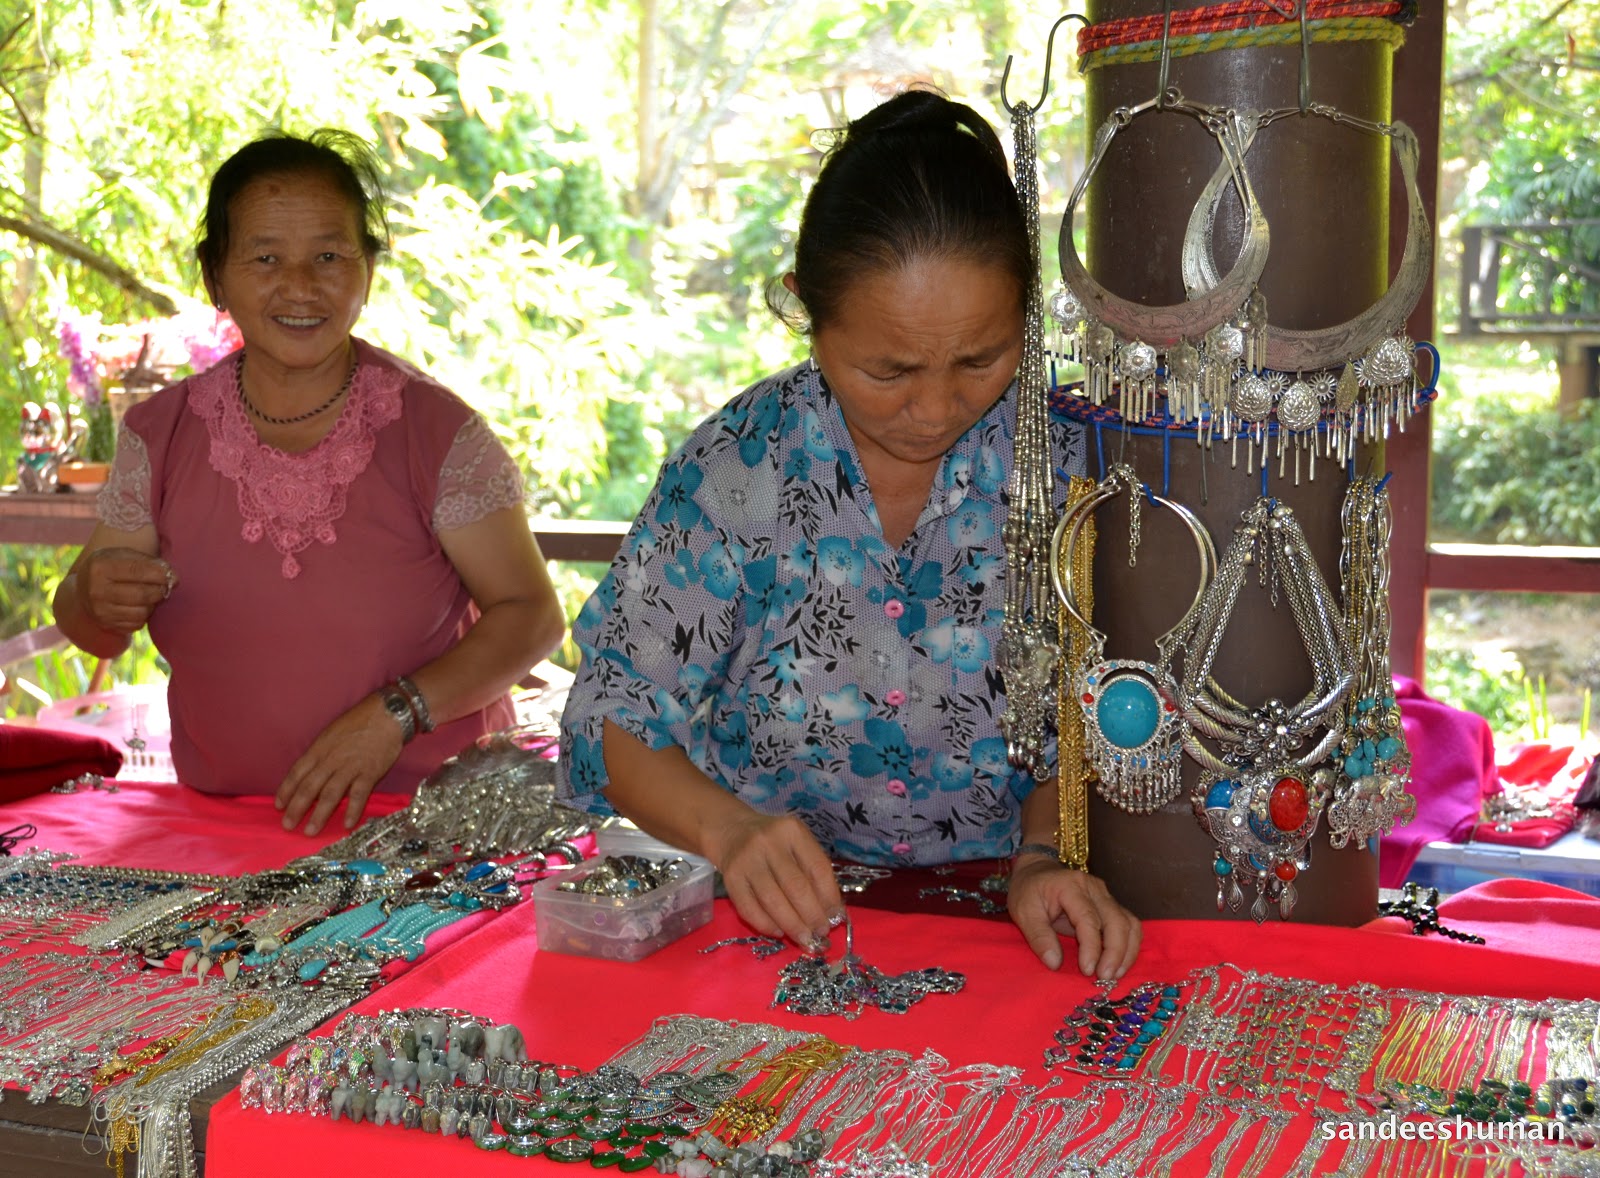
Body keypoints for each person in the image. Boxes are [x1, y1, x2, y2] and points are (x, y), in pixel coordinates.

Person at [557, 91, 1141, 980]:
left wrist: (1041, 855)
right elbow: (611, 714)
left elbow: (1109, 703)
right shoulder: (737, 472)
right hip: (770, 926)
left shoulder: (1068, 466)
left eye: (981, 359)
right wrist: (731, 831)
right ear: (806, 312)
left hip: (1014, 919)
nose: (935, 408)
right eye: (889, 370)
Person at [53, 130, 564, 835]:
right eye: (265, 258)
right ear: (214, 276)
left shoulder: (437, 432)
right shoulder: (160, 434)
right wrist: (95, 593)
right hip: (223, 826)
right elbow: (90, 626)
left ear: (367, 271)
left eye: (329, 255)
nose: (300, 286)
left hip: (429, 830)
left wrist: (398, 712)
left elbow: (531, 615)